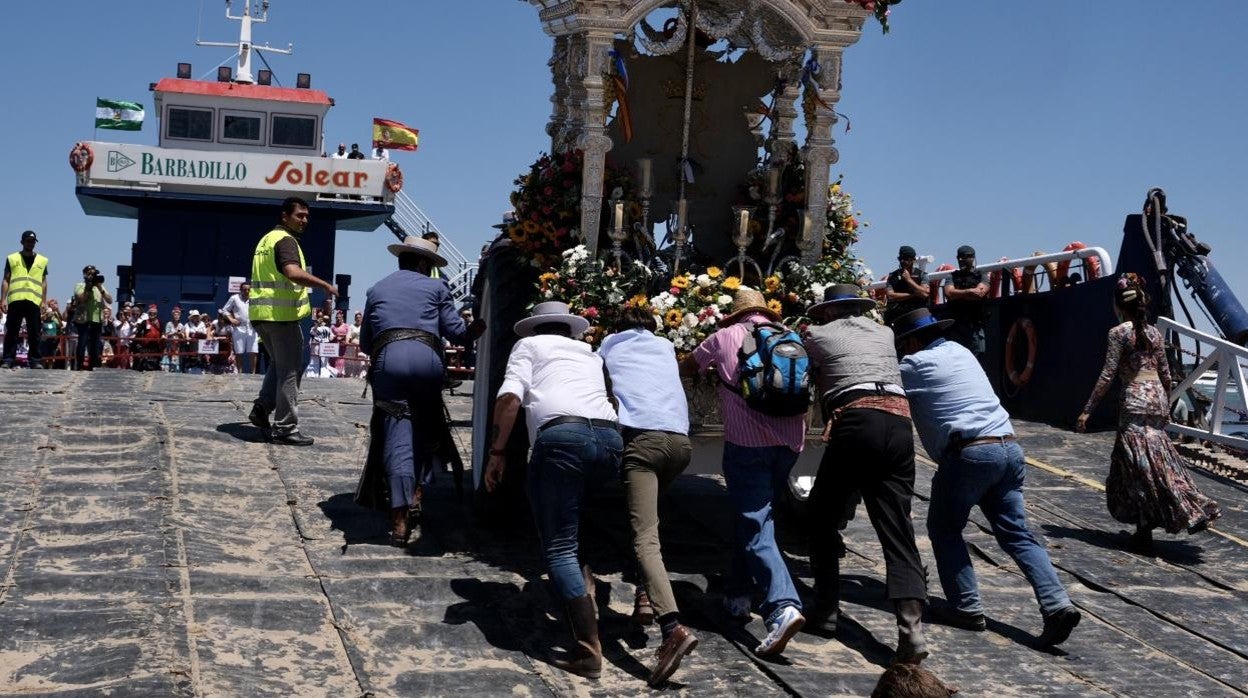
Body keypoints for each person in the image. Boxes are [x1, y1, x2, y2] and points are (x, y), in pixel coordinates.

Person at [896, 307, 1081, 648]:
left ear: (913, 341)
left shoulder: (912, 366)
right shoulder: (962, 352)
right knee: (1018, 534)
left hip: (971, 452)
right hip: (1009, 447)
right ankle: (1057, 604)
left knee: (945, 529)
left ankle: (967, 607)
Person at [483, 301, 621, 680]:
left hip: (561, 439)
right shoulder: (590, 353)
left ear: (534, 328)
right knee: (573, 524)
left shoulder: (528, 347)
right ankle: (585, 587)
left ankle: (589, 651)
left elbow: (510, 399)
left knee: (558, 546)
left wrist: (497, 452)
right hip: (610, 440)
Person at [802, 284, 928, 664]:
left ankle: (825, 611)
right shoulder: (885, 332)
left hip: (857, 421)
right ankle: (911, 631)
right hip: (900, 424)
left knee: (821, 518)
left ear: (827, 312)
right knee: (897, 529)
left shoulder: (817, 334)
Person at [680, 288, 806, 658]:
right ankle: (737, 594)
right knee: (753, 514)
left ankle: (782, 607)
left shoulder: (723, 336)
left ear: (735, 315)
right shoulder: (791, 335)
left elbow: (689, 366)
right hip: (790, 443)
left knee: (755, 524)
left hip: (748, 444)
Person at [1077, 273, 1220, 551]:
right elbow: (1165, 374)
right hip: (1156, 399)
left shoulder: (1118, 333)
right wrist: (1166, 404)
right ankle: (1180, 506)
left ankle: (1165, 518)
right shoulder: (1154, 332)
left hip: (1134, 401)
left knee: (1136, 468)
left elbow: (1107, 375)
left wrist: (1087, 410)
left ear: (1118, 305)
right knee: (1158, 460)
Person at [354, 236, 483, 544]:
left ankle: (399, 519)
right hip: (427, 360)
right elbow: (457, 332)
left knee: (398, 437)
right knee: (427, 428)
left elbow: (365, 343)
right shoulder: (437, 288)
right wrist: (476, 329)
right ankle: (417, 492)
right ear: (424, 263)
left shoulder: (377, 288)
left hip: (389, 359)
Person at [597, 305, 698, 687]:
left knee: (645, 537)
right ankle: (644, 595)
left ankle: (671, 627)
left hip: (642, 441)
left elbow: (596, 379)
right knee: (650, 523)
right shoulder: (665, 346)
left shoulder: (609, 344)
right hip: (680, 444)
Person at [249, 197, 338, 445]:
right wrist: (324, 285)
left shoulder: (266, 240)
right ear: (285, 216)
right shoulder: (286, 241)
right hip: (281, 318)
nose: (304, 220)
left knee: (279, 364)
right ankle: (286, 427)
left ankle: (261, 408)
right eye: (299, 215)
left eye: (307, 216)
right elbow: (292, 272)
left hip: (261, 316)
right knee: (290, 370)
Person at [2, 230, 49, 369]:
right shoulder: (12, 258)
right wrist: (3, 299)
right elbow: (6, 279)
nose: (30, 243)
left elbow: (44, 282)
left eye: (33, 241)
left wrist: (44, 301)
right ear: (22, 242)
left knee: (34, 332)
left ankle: (35, 360)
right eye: (28, 240)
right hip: (16, 299)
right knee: (12, 331)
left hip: (33, 300)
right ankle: (8, 360)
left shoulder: (42, 260)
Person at [942, 245, 988, 360]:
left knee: (977, 359)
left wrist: (959, 294)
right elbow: (949, 293)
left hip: (974, 326)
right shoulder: (952, 276)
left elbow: (980, 294)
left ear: (972, 258)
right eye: (959, 257)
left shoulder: (981, 275)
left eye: (964, 257)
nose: (961, 260)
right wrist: (969, 291)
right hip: (956, 326)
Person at [72, 265, 112, 370]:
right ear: (85, 274)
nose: (92, 276)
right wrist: (88, 287)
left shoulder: (100, 287)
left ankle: (93, 366)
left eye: (94, 273)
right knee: (82, 342)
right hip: (84, 320)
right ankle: (80, 366)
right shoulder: (80, 285)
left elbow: (110, 300)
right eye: (90, 273)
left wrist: (100, 288)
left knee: (95, 344)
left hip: (97, 320)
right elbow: (82, 299)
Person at [884, 245, 928, 326]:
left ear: (913, 260)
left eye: (906, 259)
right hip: (898, 316)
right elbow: (890, 296)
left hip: (917, 315)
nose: (902, 261)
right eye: (900, 259)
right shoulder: (892, 276)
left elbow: (925, 294)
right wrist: (914, 294)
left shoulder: (922, 275)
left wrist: (909, 280)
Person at [221, 282, 258, 374]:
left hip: (252, 329)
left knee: (253, 352)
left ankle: (253, 373)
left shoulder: (255, 298)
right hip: (238, 329)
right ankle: (240, 373)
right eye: (244, 289)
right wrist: (231, 319)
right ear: (240, 290)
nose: (247, 291)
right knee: (239, 352)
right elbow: (224, 310)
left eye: (249, 289)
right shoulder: (234, 298)